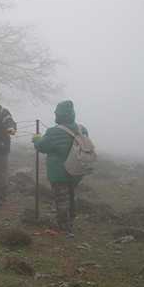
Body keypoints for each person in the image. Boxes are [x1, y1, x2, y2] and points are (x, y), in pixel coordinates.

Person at [32, 100, 87, 236]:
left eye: (56, 112)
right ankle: (70, 220)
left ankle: (64, 227)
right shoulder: (82, 129)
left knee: (61, 198)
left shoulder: (54, 132)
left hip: (59, 172)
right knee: (71, 195)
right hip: (76, 170)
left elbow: (42, 146)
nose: (55, 115)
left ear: (61, 115)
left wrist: (37, 138)